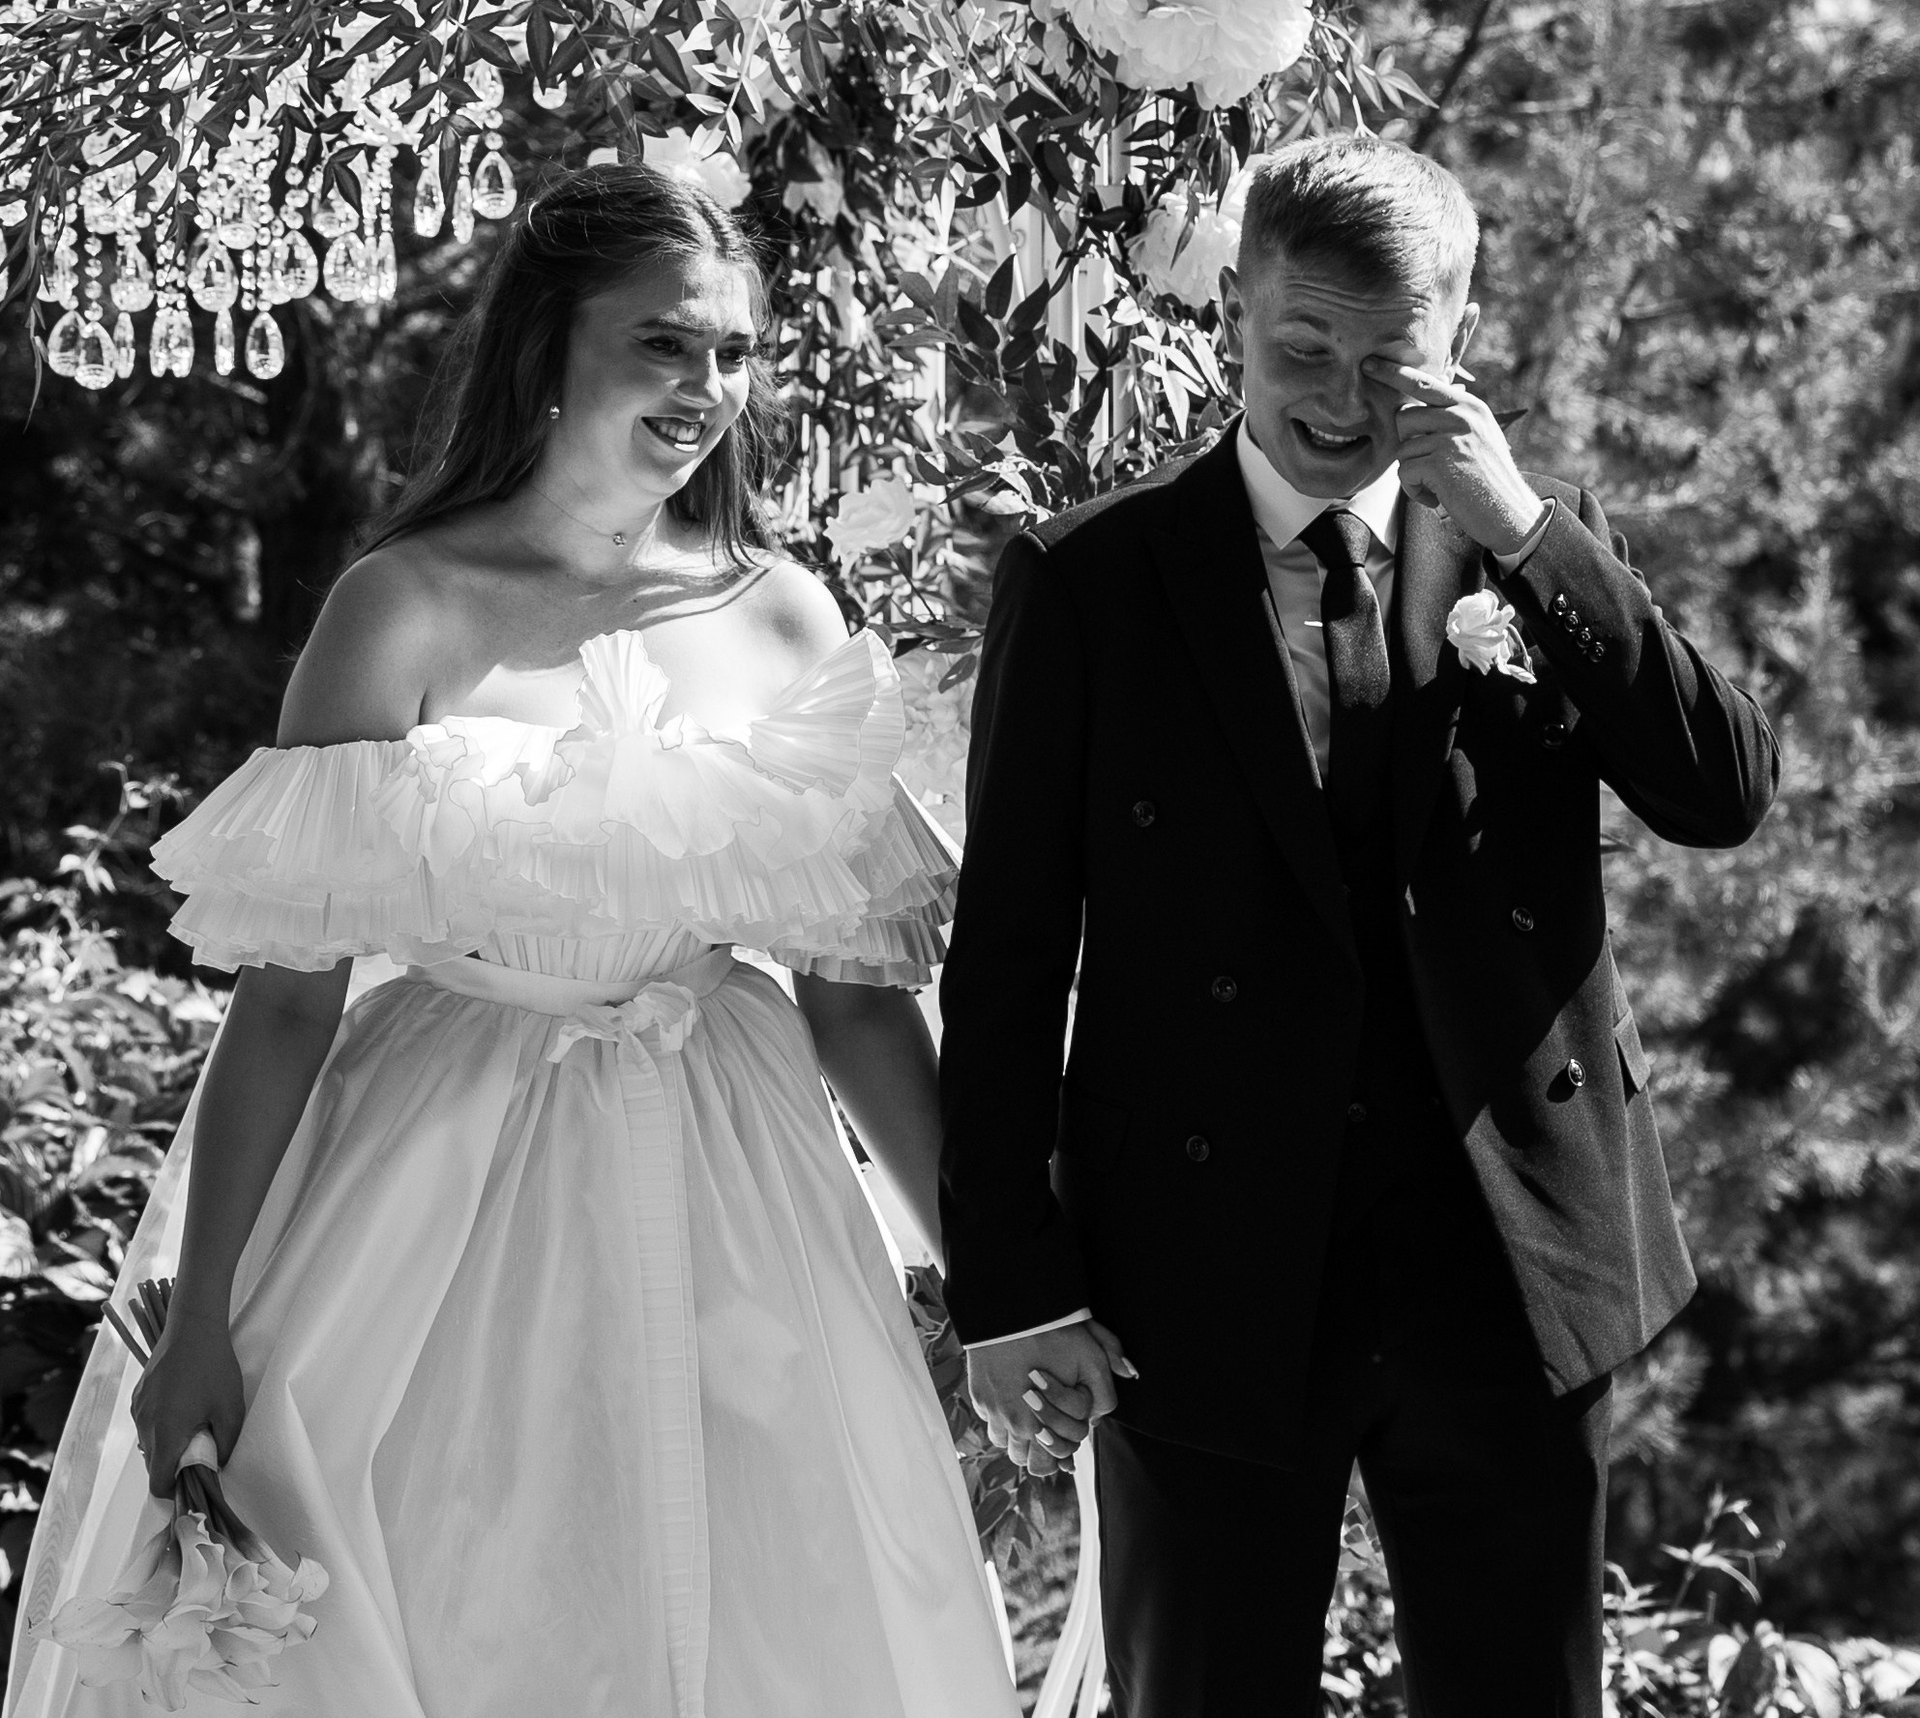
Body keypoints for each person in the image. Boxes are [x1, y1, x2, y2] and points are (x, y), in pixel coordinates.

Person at [10, 163, 1018, 1718]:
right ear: (550, 349)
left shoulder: (785, 617)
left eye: (733, 352)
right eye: (663, 343)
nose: (707, 388)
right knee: (465, 1590)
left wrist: (997, 1274)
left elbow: (861, 1008)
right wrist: (201, 1316)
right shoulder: (404, 605)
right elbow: (288, 1005)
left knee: (773, 1603)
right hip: (446, 1187)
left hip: (739, 1185)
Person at [937, 134, 1780, 1718]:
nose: (1338, 398)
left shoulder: (1536, 545)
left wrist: (1522, 525)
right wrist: (1013, 1286)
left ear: (1460, 335)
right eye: (1301, 348)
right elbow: (1007, 957)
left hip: (1507, 1252)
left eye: (1388, 359)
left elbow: (1721, 790)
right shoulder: (1089, 578)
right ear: (1233, 319)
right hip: (1201, 1261)